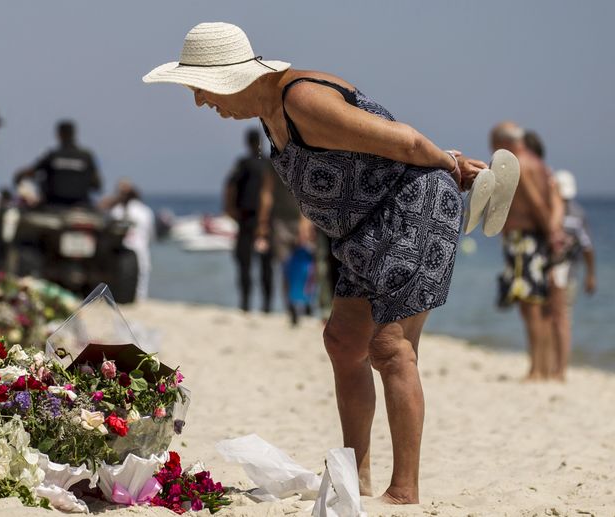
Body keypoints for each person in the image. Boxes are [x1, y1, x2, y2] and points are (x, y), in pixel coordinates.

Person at [144, 22, 491, 504]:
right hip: (361, 231)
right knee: (343, 341)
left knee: (390, 349)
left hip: (411, 210)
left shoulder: (302, 100)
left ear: (231, 77)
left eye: (200, 89)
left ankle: (405, 490)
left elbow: (407, 143)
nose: (201, 102)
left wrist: (452, 166)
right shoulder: (271, 115)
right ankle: (357, 476)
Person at [491, 123, 564, 380]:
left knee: (530, 305)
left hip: (526, 241)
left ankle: (537, 369)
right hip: (532, 239)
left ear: (505, 141)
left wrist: (550, 235)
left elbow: (536, 204)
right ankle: (542, 367)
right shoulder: (539, 165)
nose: (492, 149)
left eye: (494, 142)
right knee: (537, 305)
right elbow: (551, 201)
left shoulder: (519, 164)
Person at [549, 170, 596, 380]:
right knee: (553, 319)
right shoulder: (557, 212)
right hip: (554, 273)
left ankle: (561, 369)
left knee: (561, 320)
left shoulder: (575, 215)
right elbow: (588, 248)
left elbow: (587, 248)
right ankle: (554, 366)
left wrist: (591, 275)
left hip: (566, 273)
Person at [223, 129, 274, 313]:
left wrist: (229, 209)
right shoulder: (270, 164)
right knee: (265, 265)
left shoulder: (243, 163)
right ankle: (266, 306)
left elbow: (230, 186)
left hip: (247, 219)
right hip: (266, 221)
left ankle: (246, 304)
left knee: (245, 263)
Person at [256, 146, 307, 324]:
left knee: (304, 266)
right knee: (285, 266)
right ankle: (291, 305)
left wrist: (305, 223)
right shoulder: (273, 162)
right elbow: (267, 193)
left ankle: (305, 304)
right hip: (279, 221)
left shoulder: (303, 158)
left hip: (300, 219)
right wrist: (262, 223)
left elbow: (306, 193)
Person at [15, 120, 101, 207]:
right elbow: (97, 184)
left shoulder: (52, 156)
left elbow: (31, 172)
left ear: (59, 135)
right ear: (74, 134)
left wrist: (19, 176)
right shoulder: (86, 157)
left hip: (53, 204)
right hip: (81, 205)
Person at [100, 180, 155, 301]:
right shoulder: (145, 211)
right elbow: (151, 235)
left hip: (121, 253)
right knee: (141, 288)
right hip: (141, 252)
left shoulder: (115, 211)